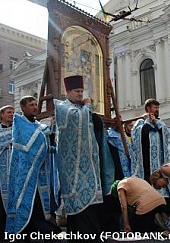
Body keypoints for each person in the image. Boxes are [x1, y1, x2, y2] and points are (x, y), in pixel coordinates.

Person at [54, 75, 103, 235]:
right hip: (73, 171)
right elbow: (77, 118)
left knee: (91, 211)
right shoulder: (62, 107)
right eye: (77, 91)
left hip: (89, 168)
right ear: (68, 91)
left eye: (82, 91)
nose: (80, 94)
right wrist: (88, 106)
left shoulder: (81, 109)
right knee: (81, 215)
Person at [6, 96, 61, 236]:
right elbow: (28, 145)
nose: (35, 107)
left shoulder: (39, 126)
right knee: (27, 201)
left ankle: (40, 230)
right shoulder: (19, 124)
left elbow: (45, 147)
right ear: (23, 108)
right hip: (24, 173)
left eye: (36, 104)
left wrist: (55, 139)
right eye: (31, 105)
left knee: (39, 204)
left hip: (39, 173)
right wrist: (45, 132)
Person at [131, 98, 170, 211]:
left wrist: (156, 123)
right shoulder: (140, 123)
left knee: (164, 200)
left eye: (158, 108)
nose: (157, 110)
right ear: (148, 109)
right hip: (146, 166)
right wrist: (147, 122)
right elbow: (138, 135)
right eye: (155, 108)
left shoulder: (160, 123)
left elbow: (168, 134)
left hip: (160, 164)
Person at [0, 105, 14, 238]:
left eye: (13, 112)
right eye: (9, 112)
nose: (12, 114)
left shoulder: (18, 129)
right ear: (1, 115)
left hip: (15, 173)